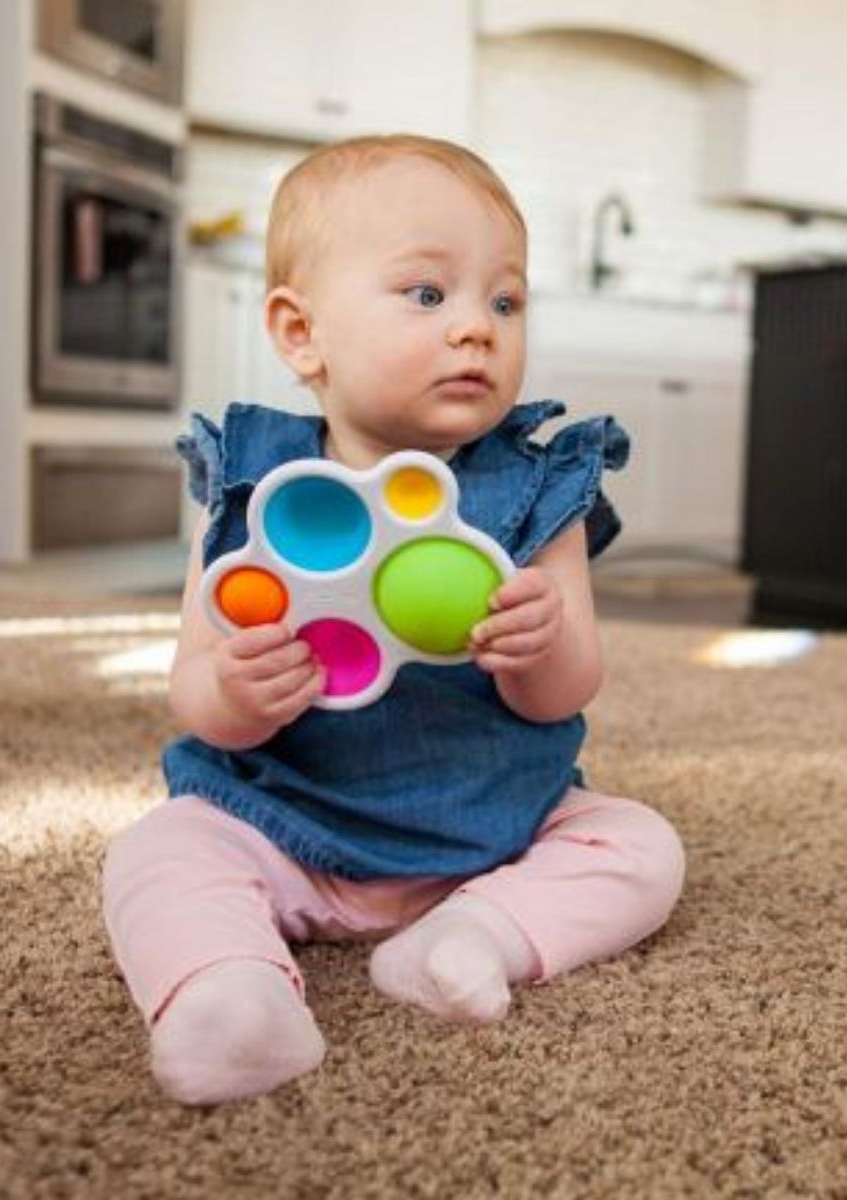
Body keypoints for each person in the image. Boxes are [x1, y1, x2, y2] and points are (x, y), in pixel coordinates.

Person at [102, 134, 686, 1106]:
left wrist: (539, 646)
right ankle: (230, 995)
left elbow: (566, 694)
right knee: (159, 850)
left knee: (640, 846)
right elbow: (197, 691)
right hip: (284, 822)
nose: (476, 329)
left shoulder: (538, 485)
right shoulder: (256, 482)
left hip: (489, 834)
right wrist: (238, 691)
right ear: (301, 334)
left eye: (505, 301)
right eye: (428, 295)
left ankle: (473, 938)